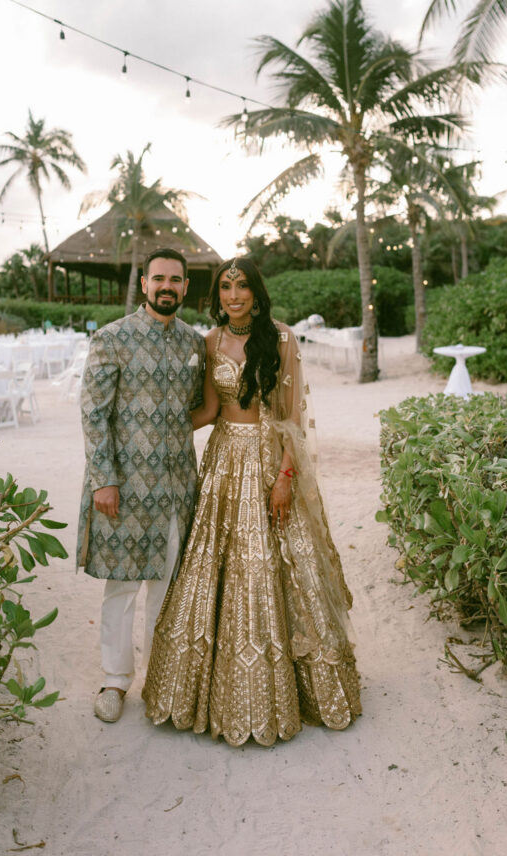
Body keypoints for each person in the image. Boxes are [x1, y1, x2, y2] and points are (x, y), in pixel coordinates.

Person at [143, 256, 361, 746]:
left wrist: (285, 477)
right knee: (215, 566)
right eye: (225, 286)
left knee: (278, 566)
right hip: (222, 461)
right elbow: (211, 409)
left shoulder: (281, 338)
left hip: (267, 461)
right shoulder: (211, 341)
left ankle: (302, 689)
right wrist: (159, 427)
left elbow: (292, 416)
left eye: (241, 286)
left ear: (256, 292)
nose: (233, 295)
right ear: (216, 294)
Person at [77, 248, 206, 724]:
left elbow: (193, 407)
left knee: (167, 585)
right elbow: (93, 414)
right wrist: (103, 480)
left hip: (176, 487)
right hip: (125, 488)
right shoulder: (113, 338)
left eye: (175, 279)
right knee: (123, 586)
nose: (167, 286)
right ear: (145, 284)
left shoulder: (195, 343)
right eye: (159, 278)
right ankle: (114, 680)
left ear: (186, 286)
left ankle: (160, 679)